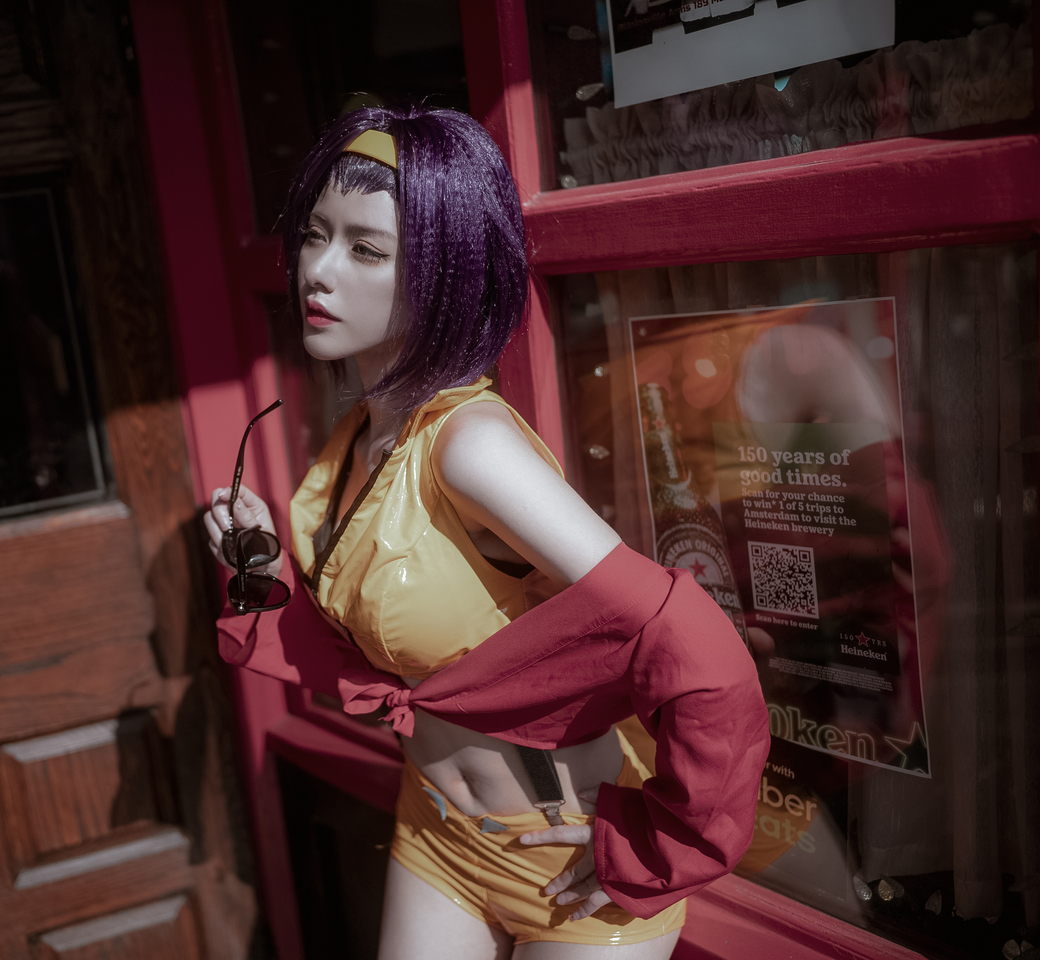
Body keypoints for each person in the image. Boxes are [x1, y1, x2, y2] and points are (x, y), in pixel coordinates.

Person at [202, 105, 769, 959]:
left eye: (366, 249)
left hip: (561, 862)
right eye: (315, 235)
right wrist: (272, 565)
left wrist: (661, 842)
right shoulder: (362, 434)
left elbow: (697, 645)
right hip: (433, 831)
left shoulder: (470, 447)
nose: (317, 269)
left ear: (445, 272)